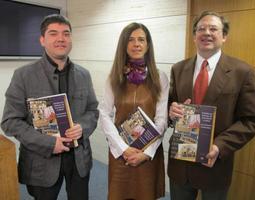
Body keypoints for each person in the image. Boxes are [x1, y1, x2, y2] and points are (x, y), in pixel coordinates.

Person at [1, 14, 99, 200]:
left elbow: (92, 111)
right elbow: (10, 121)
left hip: (79, 159)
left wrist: (83, 127)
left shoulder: (84, 74)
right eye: (53, 33)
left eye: (66, 34)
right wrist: (49, 143)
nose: (61, 38)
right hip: (41, 161)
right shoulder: (23, 75)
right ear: (42, 40)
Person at [168, 11, 255, 200]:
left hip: (215, 164)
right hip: (181, 163)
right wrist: (171, 110)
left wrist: (219, 146)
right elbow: (171, 103)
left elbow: (251, 121)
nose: (207, 33)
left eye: (213, 29)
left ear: (224, 36)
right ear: (194, 36)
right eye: (201, 29)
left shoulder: (241, 72)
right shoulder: (178, 68)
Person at [99, 22, 169, 199]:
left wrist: (146, 153)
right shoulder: (114, 77)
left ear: (148, 45)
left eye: (141, 39)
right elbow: (104, 114)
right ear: (124, 44)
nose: (136, 44)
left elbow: (162, 119)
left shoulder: (160, 77)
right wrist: (123, 149)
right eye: (131, 39)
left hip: (148, 152)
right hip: (120, 152)